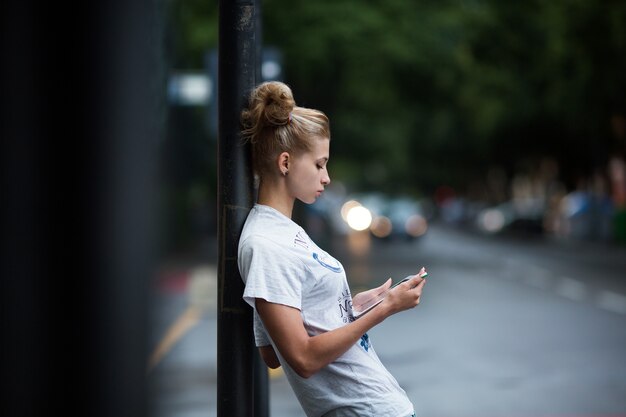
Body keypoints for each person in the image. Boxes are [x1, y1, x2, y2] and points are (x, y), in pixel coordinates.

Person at [237, 81, 427, 417]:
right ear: (285, 163)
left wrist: (353, 307)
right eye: (319, 164)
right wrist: (387, 309)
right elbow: (302, 358)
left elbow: (272, 349)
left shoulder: (283, 232)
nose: (326, 177)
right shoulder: (266, 244)